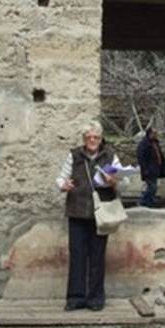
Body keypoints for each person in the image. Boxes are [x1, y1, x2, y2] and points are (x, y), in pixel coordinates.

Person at [55, 120, 120, 311]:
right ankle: (75, 298)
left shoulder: (110, 156)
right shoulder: (74, 155)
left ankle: (95, 299)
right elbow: (61, 177)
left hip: (101, 214)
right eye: (89, 137)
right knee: (77, 256)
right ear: (84, 139)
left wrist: (113, 181)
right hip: (77, 211)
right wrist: (63, 185)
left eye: (96, 137)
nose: (92, 140)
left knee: (97, 256)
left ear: (100, 139)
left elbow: (121, 179)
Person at [136, 127, 165, 208]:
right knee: (152, 187)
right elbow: (141, 157)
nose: (155, 135)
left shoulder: (155, 143)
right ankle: (142, 201)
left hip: (155, 169)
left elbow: (160, 155)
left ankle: (150, 203)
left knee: (154, 187)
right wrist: (145, 168)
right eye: (153, 133)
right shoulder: (144, 144)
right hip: (148, 169)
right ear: (149, 134)